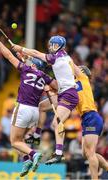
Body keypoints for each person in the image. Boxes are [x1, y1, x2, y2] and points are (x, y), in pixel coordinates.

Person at [0, 33, 57, 176]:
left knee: (14, 142)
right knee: (22, 140)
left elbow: (8, 55)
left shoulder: (26, 69)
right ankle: (27, 159)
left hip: (23, 108)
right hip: (35, 112)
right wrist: (49, 88)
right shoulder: (45, 76)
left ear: (33, 65)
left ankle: (33, 154)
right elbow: (58, 87)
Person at [12, 35, 79, 163]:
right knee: (42, 107)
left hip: (68, 94)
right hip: (63, 92)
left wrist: (21, 48)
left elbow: (37, 54)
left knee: (56, 123)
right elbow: (40, 64)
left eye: (51, 44)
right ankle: (37, 136)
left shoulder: (57, 57)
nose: (49, 47)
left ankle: (59, 152)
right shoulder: (64, 56)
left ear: (57, 45)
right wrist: (25, 57)